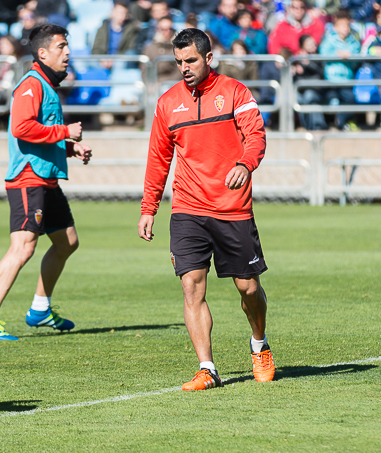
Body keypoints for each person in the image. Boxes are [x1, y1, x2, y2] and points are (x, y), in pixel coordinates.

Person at [138, 27, 274, 391]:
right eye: (178, 61)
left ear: (208, 58)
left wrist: (245, 164)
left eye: (191, 60)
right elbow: (158, 158)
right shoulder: (167, 103)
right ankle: (207, 368)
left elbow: (256, 135)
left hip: (232, 209)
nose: (184, 67)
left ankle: (259, 344)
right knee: (191, 286)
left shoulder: (235, 92)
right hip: (187, 208)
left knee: (248, 289)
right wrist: (149, 207)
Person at [0, 23, 92, 341]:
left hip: (46, 179)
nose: (68, 53)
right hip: (29, 179)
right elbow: (22, 128)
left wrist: (70, 148)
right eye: (61, 46)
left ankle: (40, 309)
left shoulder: (47, 85)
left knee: (67, 242)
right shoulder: (31, 84)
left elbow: (40, 134)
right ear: (43, 53)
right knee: (23, 247)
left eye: (67, 46)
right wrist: (66, 132)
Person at [319, 9, 360, 131]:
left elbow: (357, 57)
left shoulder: (353, 41)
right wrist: (337, 55)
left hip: (347, 79)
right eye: (342, 25)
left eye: (347, 25)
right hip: (331, 79)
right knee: (331, 99)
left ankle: (341, 123)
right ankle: (331, 122)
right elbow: (323, 53)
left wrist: (350, 56)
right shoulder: (329, 39)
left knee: (349, 98)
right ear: (336, 27)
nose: (345, 28)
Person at [292, 34, 327, 130]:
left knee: (310, 96)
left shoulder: (318, 57)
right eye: (309, 44)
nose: (313, 46)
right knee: (297, 98)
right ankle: (306, 126)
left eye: (314, 44)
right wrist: (294, 69)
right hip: (301, 89)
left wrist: (308, 64)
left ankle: (317, 125)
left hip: (315, 89)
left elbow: (320, 74)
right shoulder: (296, 59)